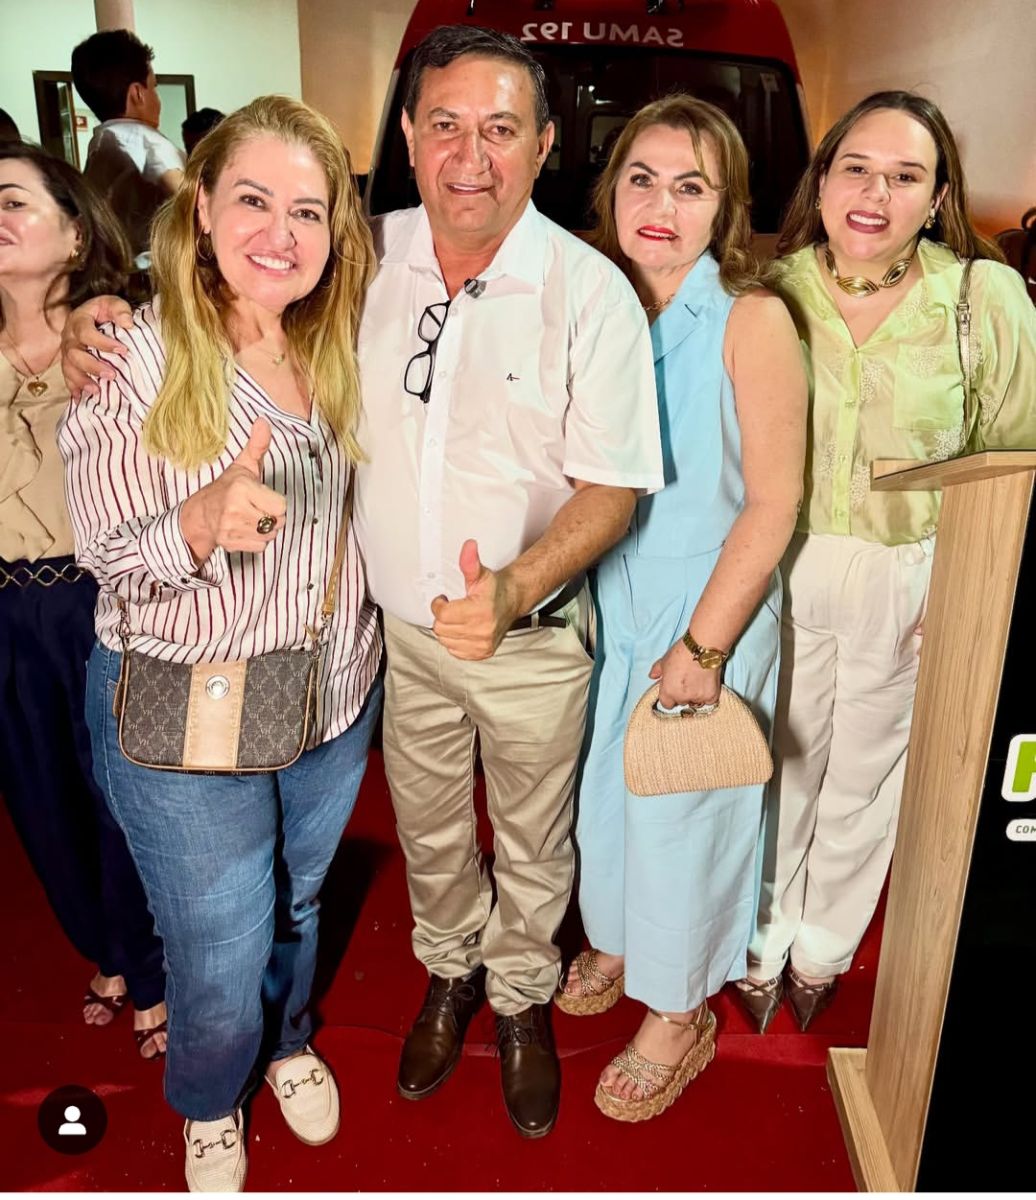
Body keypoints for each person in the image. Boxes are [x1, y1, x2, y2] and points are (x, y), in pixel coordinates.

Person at [57, 96, 380, 1192]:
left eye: (308, 210)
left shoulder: (342, 336)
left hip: (331, 693)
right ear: (199, 205)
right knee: (219, 940)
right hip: (184, 701)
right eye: (252, 199)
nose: (281, 234)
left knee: (297, 902)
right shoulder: (135, 352)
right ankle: (207, 1096)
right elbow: (106, 554)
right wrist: (196, 522)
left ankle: (284, 1041)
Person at [354, 25, 663, 1138]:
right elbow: (227, 301)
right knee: (431, 826)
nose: (470, 156)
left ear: (543, 145)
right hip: (402, 635)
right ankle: (451, 972)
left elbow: (613, 490)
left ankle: (522, 991)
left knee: (535, 836)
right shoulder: (362, 258)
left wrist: (514, 587)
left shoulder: (589, 291)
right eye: (445, 125)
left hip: (530, 640)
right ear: (407, 135)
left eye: (499, 129)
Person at [735, 91, 1036, 1033]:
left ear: (938, 196)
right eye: (856, 169)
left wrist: (970, 591)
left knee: (867, 777)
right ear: (822, 179)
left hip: (911, 575)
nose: (875, 194)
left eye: (905, 176)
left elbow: (1015, 458)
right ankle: (760, 940)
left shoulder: (981, 299)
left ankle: (824, 949)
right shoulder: (767, 292)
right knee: (776, 768)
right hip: (779, 566)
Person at [554, 96, 806, 1121]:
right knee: (607, 804)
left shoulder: (751, 318)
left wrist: (704, 646)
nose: (660, 205)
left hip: (707, 608)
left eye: (690, 186)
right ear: (611, 188)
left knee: (684, 820)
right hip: (607, 604)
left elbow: (774, 501)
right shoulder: (595, 300)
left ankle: (678, 1009)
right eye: (642, 178)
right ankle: (619, 940)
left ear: (726, 207)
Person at [0, 142, 167, 1058]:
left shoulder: (117, 336)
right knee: (41, 802)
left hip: (96, 597)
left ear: (74, 233)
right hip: (5, 609)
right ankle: (106, 949)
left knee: (123, 798)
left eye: (14, 201)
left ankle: (152, 968)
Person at [71, 29, 185, 274]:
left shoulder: (101, 142)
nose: (157, 99)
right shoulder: (144, 140)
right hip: (155, 275)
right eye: (154, 87)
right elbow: (189, 197)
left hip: (115, 272)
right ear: (137, 94)